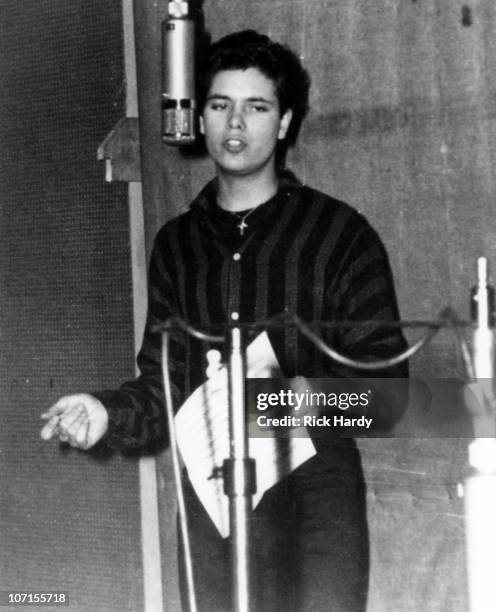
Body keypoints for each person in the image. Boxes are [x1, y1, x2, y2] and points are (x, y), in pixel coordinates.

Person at [41, 30, 408, 612]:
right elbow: (162, 388)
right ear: (200, 118)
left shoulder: (341, 235)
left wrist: (281, 403)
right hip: (212, 513)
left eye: (256, 107)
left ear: (284, 122)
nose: (236, 123)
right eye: (220, 105)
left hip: (316, 513)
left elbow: (392, 400)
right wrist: (107, 411)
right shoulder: (176, 246)